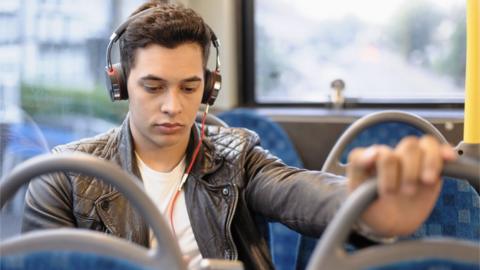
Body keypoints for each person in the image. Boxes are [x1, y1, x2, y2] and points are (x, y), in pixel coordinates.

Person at [22, 1, 457, 269]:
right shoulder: (65, 178)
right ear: (120, 85)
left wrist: (370, 206)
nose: (173, 105)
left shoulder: (237, 157)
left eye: (189, 88)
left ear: (209, 88)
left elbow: (304, 192)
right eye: (153, 87)